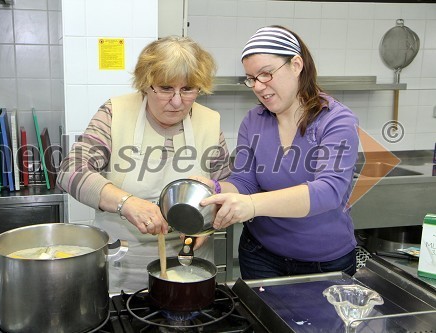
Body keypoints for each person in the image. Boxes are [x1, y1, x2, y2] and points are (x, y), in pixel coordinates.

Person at [56, 36, 231, 292]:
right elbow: (70, 171)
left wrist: (208, 223)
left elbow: (227, 186)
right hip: (123, 267)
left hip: (189, 268)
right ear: (145, 85)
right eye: (165, 88)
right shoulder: (115, 112)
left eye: (188, 89)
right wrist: (126, 203)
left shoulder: (210, 122)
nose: (177, 101)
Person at [196, 26, 359, 279]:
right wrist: (214, 190)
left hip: (324, 263)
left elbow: (328, 191)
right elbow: (244, 182)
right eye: (251, 78)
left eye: (266, 74)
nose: (258, 87)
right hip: (260, 255)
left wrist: (251, 205)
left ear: (296, 65)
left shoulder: (336, 121)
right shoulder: (254, 120)